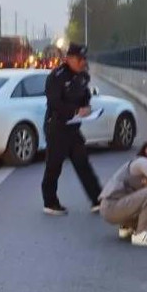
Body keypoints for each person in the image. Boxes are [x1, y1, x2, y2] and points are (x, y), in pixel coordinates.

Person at [41, 42, 103, 215]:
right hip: (57, 127)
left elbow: (85, 96)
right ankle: (50, 202)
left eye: (84, 58)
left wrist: (86, 107)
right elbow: (54, 102)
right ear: (68, 59)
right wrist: (75, 111)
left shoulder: (83, 77)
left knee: (83, 163)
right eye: (79, 59)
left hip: (73, 128)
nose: (83, 62)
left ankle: (97, 199)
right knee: (54, 165)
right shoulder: (56, 76)